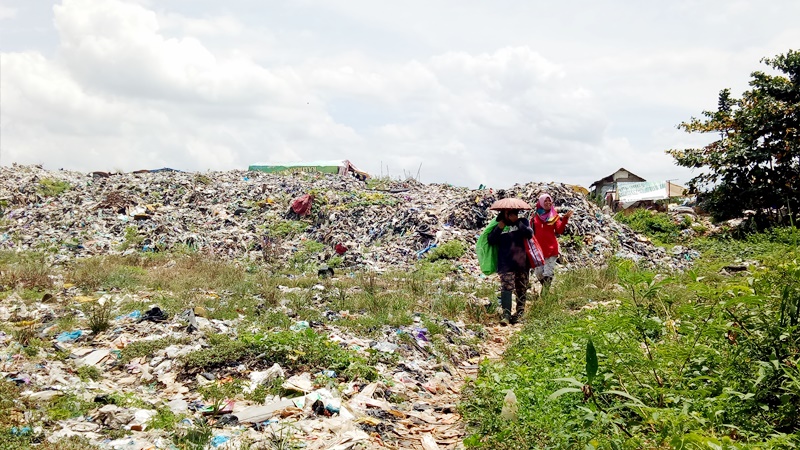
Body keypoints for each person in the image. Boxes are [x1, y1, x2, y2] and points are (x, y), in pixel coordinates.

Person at [487, 208, 533, 325]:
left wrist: (517, 221)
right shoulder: (499, 224)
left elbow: (529, 234)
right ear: (504, 213)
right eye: (509, 213)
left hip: (521, 262)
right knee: (506, 287)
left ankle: (519, 313)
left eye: (514, 213)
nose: (512, 215)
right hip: (505, 263)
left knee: (521, 288)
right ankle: (506, 315)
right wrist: (499, 228)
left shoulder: (523, 221)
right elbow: (491, 240)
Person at [532, 193, 573, 293]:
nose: (547, 203)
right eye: (545, 201)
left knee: (548, 273)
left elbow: (559, 230)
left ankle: (545, 295)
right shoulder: (535, 217)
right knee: (539, 273)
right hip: (539, 250)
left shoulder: (554, 216)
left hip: (551, 248)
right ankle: (547, 292)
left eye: (549, 200)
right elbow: (531, 231)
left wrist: (565, 219)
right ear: (541, 202)